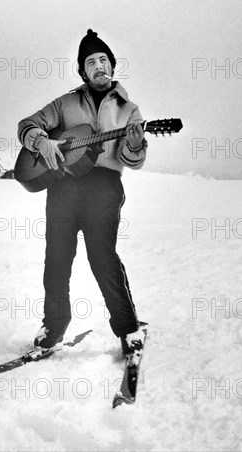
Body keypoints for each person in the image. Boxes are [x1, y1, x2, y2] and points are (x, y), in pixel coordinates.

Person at [17, 29, 147, 356]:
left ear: (112, 67)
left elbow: (135, 159)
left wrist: (133, 143)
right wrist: (41, 140)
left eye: (104, 60)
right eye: (91, 62)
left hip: (104, 186)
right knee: (57, 258)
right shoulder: (64, 104)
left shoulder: (129, 109)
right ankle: (54, 325)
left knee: (102, 256)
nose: (98, 65)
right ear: (83, 70)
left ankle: (129, 329)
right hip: (62, 186)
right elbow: (27, 124)